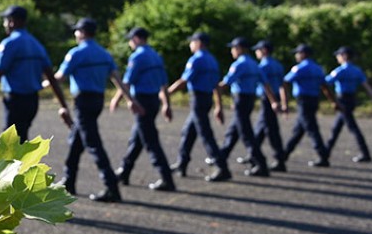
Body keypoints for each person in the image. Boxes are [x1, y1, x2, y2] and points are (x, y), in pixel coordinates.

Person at [50, 18, 142, 203]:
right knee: (76, 141)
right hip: (98, 101)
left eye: (77, 31)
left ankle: (111, 186)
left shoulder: (76, 53)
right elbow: (117, 79)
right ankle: (69, 181)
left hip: (83, 101)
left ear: (82, 33)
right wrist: (130, 100)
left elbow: (58, 78)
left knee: (93, 144)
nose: (75, 34)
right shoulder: (104, 54)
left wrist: (39, 84)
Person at [0, 5, 71, 143]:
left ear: (11, 22)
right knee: (21, 139)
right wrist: (63, 105)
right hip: (32, 101)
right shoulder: (37, 44)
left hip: (16, 101)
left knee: (10, 145)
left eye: (5, 21)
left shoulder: (9, 44)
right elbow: (51, 77)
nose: (4, 25)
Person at [109, 27, 175, 191]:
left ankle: (166, 178)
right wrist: (166, 104)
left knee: (150, 140)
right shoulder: (156, 56)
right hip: (153, 100)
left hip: (142, 101)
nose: (130, 42)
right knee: (137, 139)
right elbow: (164, 83)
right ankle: (125, 171)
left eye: (131, 39)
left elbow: (127, 81)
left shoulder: (137, 57)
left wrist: (119, 99)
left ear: (137, 39)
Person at [168, 32, 231, 182]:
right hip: (207, 98)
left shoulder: (196, 59)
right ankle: (182, 163)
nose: (191, 45)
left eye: (192, 42)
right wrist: (219, 106)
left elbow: (184, 80)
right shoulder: (212, 60)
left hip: (197, 98)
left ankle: (221, 167)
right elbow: (216, 86)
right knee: (188, 132)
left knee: (205, 134)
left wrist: (166, 93)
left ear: (199, 43)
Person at [216, 37, 271, 177]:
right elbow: (265, 83)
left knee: (246, 133)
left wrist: (214, 88)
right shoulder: (254, 64)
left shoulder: (238, 64)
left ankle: (261, 164)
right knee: (233, 131)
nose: (232, 51)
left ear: (239, 48)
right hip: (250, 98)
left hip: (240, 99)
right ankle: (221, 157)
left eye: (233, 48)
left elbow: (227, 82)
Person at [282, 44, 337, 167]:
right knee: (299, 130)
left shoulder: (299, 68)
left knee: (311, 129)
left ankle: (323, 155)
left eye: (298, 53)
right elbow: (324, 87)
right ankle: (284, 155)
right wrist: (333, 101)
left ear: (303, 54)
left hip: (303, 101)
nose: (296, 56)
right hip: (314, 100)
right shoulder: (318, 68)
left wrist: (285, 103)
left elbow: (285, 82)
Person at [325, 46, 372, 163]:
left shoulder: (340, 70)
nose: (337, 58)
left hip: (342, 99)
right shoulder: (357, 70)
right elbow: (366, 85)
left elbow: (326, 82)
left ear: (344, 56)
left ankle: (365, 153)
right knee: (336, 129)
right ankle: (325, 153)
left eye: (339, 55)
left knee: (352, 127)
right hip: (351, 99)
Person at [252, 40, 288, 171]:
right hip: (275, 98)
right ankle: (253, 154)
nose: (256, 52)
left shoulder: (262, 66)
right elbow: (283, 85)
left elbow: (265, 85)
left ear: (264, 50)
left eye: (258, 50)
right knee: (260, 129)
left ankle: (279, 159)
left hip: (268, 99)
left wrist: (273, 101)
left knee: (271, 130)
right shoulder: (278, 65)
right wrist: (284, 102)